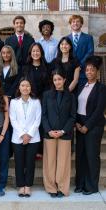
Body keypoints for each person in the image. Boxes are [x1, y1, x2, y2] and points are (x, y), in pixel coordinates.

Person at [42, 68, 76, 198]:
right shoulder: (46, 95)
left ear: (64, 80)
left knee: (63, 162)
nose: (57, 82)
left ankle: (62, 187)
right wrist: (49, 130)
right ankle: (51, 188)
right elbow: (43, 115)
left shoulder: (71, 96)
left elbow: (72, 117)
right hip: (49, 133)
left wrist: (62, 131)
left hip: (65, 134)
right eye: (55, 79)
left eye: (59, 79)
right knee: (49, 161)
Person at [75, 55, 106, 195]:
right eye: (87, 70)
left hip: (93, 126)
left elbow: (99, 110)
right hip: (80, 124)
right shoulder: (82, 86)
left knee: (92, 156)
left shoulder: (101, 88)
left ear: (97, 72)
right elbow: (76, 105)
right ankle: (80, 184)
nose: (89, 72)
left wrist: (87, 126)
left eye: (92, 70)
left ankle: (92, 186)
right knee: (80, 156)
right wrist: (77, 123)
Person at [9, 78, 41, 197]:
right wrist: (22, 134)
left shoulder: (36, 101)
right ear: (19, 88)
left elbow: (38, 120)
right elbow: (13, 119)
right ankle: (21, 185)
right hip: (18, 138)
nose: (25, 88)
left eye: (27, 86)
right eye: (23, 85)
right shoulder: (13, 102)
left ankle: (28, 186)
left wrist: (29, 135)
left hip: (33, 138)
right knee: (19, 162)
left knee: (30, 162)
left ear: (31, 88)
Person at [67, 15, 94, 86]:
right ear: (70, 24)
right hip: (69, 73)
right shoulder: (66, 39)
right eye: (73, 22)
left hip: (83, 73)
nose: (75, 23)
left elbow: (90, 53)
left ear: (81, 24)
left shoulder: (88, 38)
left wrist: (79, 66)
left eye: (78, 21)